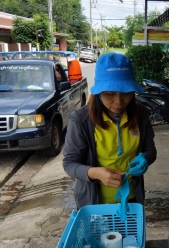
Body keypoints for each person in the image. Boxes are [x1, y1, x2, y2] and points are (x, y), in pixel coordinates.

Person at [62, 53, 157, 210]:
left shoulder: (141, 115)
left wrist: (146, 158)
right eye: (110, 94)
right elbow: (70, 164)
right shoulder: (81, 121)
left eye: (126, 93)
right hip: (94, 203)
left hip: (131, 199)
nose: (118, 102)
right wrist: (95, 173)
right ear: (98, 92)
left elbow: (150, 150)